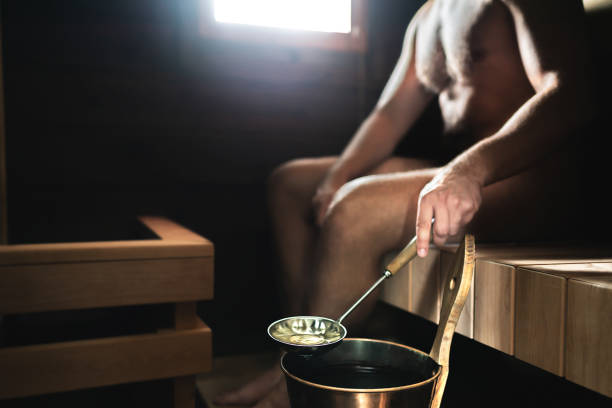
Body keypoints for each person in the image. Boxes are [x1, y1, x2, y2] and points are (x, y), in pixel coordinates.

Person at [215, 0, 593, 406]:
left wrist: (468, 170)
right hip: (457, 167)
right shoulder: (431, 13)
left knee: (355, 209)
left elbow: (572, 92)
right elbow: (391, 113)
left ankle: (292, 386)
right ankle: (294, 363)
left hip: (527, 174)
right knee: (292, 185)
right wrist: (336, 176)